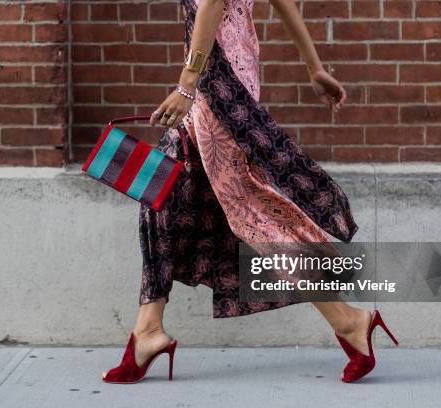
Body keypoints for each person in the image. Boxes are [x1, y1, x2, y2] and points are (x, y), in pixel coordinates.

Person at [101, 0, 398, 384]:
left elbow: (210, 4)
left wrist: (186, 85)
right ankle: (148, 330)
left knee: (252, 213)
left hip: (217, 87)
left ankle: (350, 321)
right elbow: (286, 4)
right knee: (161, 195)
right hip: (221, 80)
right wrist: (315, 67)